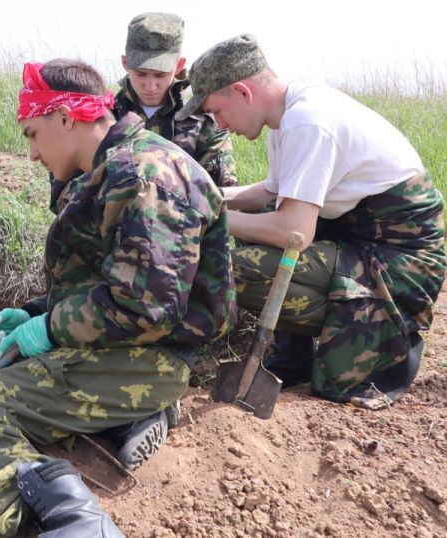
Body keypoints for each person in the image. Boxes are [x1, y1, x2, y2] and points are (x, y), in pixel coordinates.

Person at [0, 59, 236, 537]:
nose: (31, 153)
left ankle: (67, 523)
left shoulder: (142, 176)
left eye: (32, 134)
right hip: (113, 343)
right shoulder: (106, 168)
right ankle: (126, 417)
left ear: (66, 119)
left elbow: (145, 310)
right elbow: (104, 279)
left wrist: (50, 329)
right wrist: (34, 313)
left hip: (149, 355)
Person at [175, 34, 446, 408]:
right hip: (364, 241)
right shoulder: (288, 116)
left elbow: (293, 233)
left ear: (242, 91)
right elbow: (268, 192)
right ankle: (293, 357)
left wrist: (207, 218)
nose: (218, 125)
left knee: (230, 271)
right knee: (257, 220)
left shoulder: (307, 122)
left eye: (216, 111)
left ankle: (384, 336)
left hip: (398, 267)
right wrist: (192, 198)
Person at [112, 12, 238, 188]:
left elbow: (224, 193)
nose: (150, 86)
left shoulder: (204, 122)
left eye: (160, 75)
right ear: (125, 63)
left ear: (179, 65)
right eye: (141, 74)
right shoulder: (104, 116)